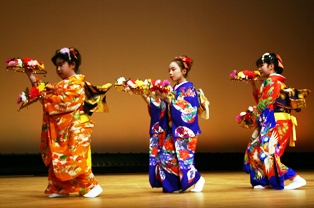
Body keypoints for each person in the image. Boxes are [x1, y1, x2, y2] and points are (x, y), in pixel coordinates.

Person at [25, 47, 111, 198]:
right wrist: (31, 76)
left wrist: (44, 97)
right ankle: (60, 188)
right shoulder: (62, 85)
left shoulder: (77, 84)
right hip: (63, 127)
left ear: (73, 64)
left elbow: (64, 102)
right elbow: (44, 92)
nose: (58, 68)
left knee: (74, 159)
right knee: (58, 157)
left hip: (76, 128)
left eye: (61, 64)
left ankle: (91, 186)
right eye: (56, 65)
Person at [243, 52, 310, 190]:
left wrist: (251, 116)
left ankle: (295, 178)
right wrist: (253, 87)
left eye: (262, 65)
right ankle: (264, 180)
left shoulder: (272, 81)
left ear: (271, 66)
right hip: (272, 119)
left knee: (268, 153)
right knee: (254, 149)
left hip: (276, 121)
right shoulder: (271, 81)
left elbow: (266, 103)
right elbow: (263, 102)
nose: (259, 69)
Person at [140, 55, 205, 193]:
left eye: (173, 69)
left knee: (181, 159)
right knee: (165, 157)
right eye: (168, 70)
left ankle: (197, 179)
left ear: (184, 71)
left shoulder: (189, 90)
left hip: (185, 130)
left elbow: (188, 110)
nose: (170, 73)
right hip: (173, 129)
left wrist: (168, 100)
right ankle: (176, 185)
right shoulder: (173, 90)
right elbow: (160, 108)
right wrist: (144, 95)